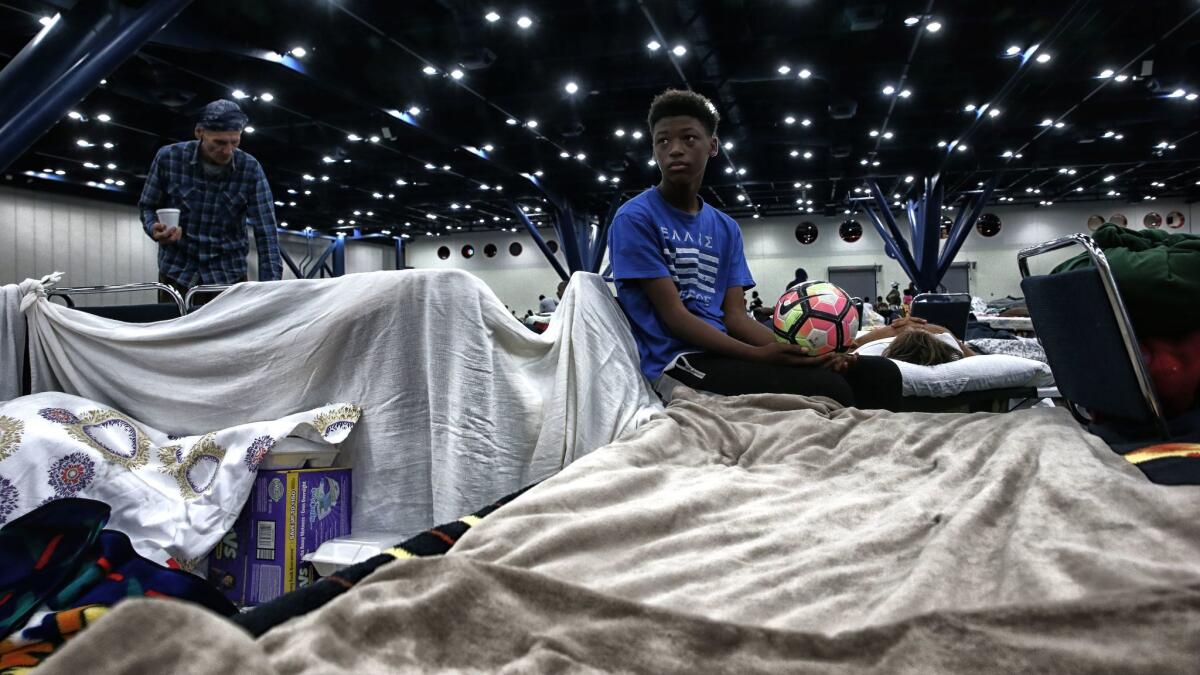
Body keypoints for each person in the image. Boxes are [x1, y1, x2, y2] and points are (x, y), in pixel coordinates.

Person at [607, 88, 900, 409]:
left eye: (688, 138)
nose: (674, 149)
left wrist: (809, 354)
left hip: (727, 351)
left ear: (712, 146)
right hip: (678, 361)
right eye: (663, 141)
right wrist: (758, 354)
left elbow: (735, 316)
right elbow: (674, 316)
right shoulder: (635, 218)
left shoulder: (725, 227)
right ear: (653, 150)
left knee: (880, 374)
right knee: (830, 389)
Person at [138, 99, 283, 304]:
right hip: (177, 274)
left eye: (235, 142)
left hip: (228, 278)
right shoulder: (168, 159)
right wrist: (153, 228)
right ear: (199, 132)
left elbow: (266, 232)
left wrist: (272, 291)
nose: (228, 151)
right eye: (220, 143)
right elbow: (147, 206)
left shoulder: (250, 169)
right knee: (174, 335)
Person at [852, 316, 976, 365]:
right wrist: (937, 330)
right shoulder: (948, 343)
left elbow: (850, 346)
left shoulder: (868, 351)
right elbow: (975, 359)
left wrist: (892, 330)